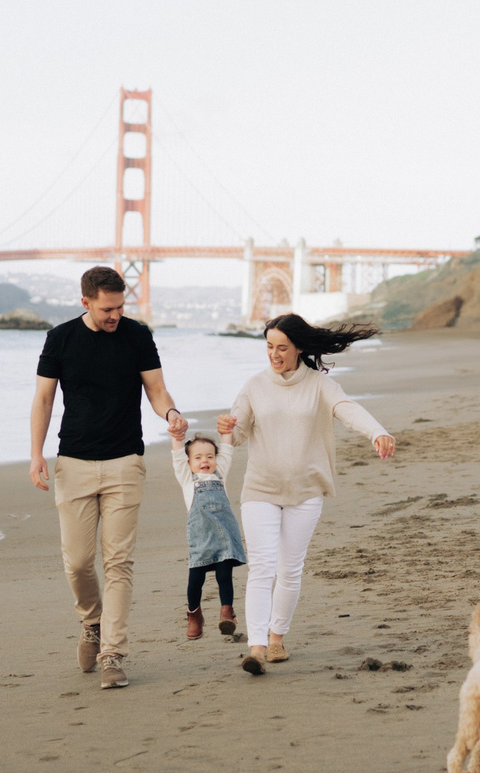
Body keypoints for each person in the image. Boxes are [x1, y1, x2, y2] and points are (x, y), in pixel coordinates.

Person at [30, 265, 188, 690]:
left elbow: (156, 389)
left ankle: (113, 653)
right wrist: (36, 454)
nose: (115, 315)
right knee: (78, 562)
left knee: (118, 563)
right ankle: (92, 622)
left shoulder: (137, 335)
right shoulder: (60, 338)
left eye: (120, 307)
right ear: (85, 302)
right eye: (107, 309)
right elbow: (43, 399)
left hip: (125, 463)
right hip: (74, 463)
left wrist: (171, 413)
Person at [216, 314, 394, 677]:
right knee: (262, 567)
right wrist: (226, 429)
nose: (274, 354)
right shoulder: (254, 386)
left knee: (289, 569)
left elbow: (347, 410)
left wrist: (377, 432)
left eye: (282, 348)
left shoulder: (319, 385)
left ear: (299, 348)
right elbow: (237, 434)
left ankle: (277, 637)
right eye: (269, 347)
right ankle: (256, 648)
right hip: (261, 489)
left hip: (306, 490)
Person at [166, 425, 245, 641]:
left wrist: (227, 432)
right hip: (201, 538)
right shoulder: (187, 480)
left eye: (210, 456)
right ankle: (194, 615)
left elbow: (227, 451)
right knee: (196, 580)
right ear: (189, 463)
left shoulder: (220, 476)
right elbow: (177, 457)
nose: (205, 461)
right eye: (198, 457)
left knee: (224, 575)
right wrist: (176, 437)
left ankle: (226, 612)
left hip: (224, 536)